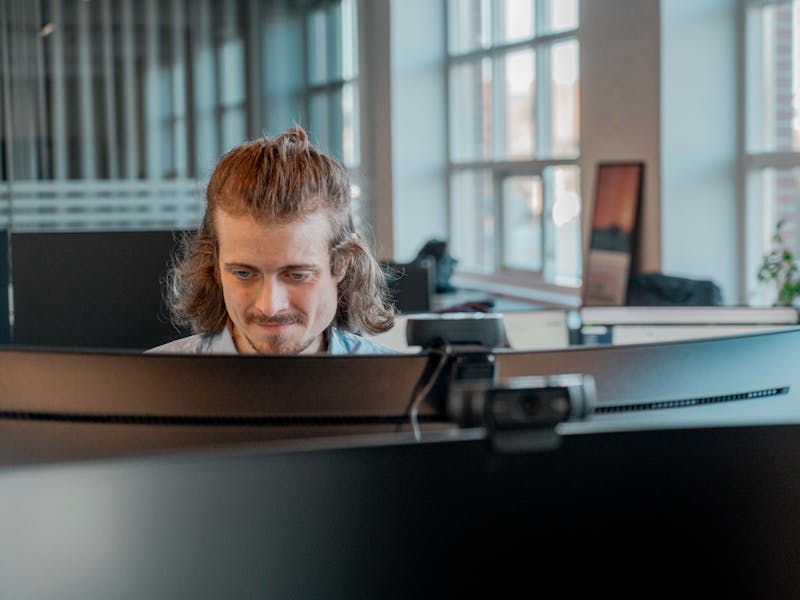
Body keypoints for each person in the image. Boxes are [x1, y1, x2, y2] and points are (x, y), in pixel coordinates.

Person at [148, 126, 396, 355]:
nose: (269, 307)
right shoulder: (146, 388)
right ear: (215, 265)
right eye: (244, 274)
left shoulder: (408, 391)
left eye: (297, 275)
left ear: (342, 263)